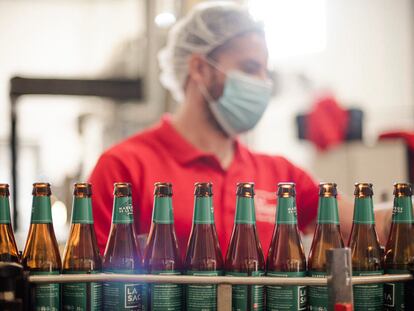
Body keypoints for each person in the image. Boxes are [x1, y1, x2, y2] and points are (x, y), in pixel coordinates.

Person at [89, 2, 391, 256]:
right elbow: (93, 283)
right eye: (249, 68)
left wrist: (400, 215)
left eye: (265, 71)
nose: (263, 84)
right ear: (200, 69)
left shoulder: (281, 176)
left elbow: (368, 224)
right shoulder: (124, 168)